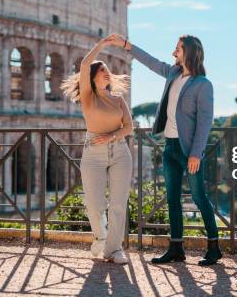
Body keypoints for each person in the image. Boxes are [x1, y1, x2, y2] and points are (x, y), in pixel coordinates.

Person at [108, 33, 222, 266]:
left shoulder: (203, 85)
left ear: (189, 51)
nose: (174, 52)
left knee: (200, 198)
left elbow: (205, 122)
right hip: (169, 147)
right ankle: (176, 248)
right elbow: (151, 62)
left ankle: (214, 247)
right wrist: (127, 46)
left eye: (178, 48)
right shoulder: (173, 73)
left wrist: (196, 154)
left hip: (189, 151)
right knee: (172, 199)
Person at [60, 36, 133, 264]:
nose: (106, 72)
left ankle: (114, 250)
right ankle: (100, 236)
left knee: (119, 204)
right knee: (94, 204)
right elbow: (83, 65)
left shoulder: (119, 99)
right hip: (93, 154)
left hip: (120, 152)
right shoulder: (88, 97)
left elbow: (129, 127)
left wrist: (112, 136)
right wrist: (101, 46)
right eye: (101, 70)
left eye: (107, 70)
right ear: (92, 78)